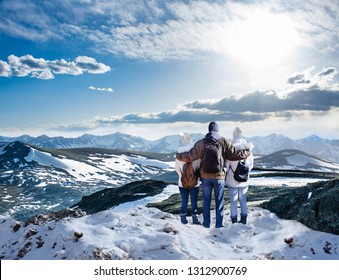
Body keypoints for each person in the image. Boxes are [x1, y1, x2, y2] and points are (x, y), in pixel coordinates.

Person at [176, 122, 251, 228]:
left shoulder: (201, 143)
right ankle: (219, 225)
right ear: (217, 130)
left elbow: (190, 156)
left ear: (208, 130)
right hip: (219, 177)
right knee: (219, 201)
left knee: (206, 201)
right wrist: (248, 151)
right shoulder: (224, 141)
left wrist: (179, 156)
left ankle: (206, 224)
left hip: (205, 177)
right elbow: (234, 154)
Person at [225, 127, 254, 224]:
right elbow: (251, 166)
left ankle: (234, 221)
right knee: (243, 200)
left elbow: (227, 166)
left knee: (233, 201)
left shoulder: (230, 150)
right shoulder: (248, 150)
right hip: (245, 180)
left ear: (233, 135)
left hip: (232, 180)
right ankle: (244, 220)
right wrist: (244, 172)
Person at [175, 133, 201, 225]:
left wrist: (182, 176)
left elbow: (177, 169)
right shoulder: (196, 155)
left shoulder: (178, 156)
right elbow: (198, 168)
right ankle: (195, 219)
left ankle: (183, 219)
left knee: (184, 201)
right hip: (195, 182)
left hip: (182, 182)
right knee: (194, 201)